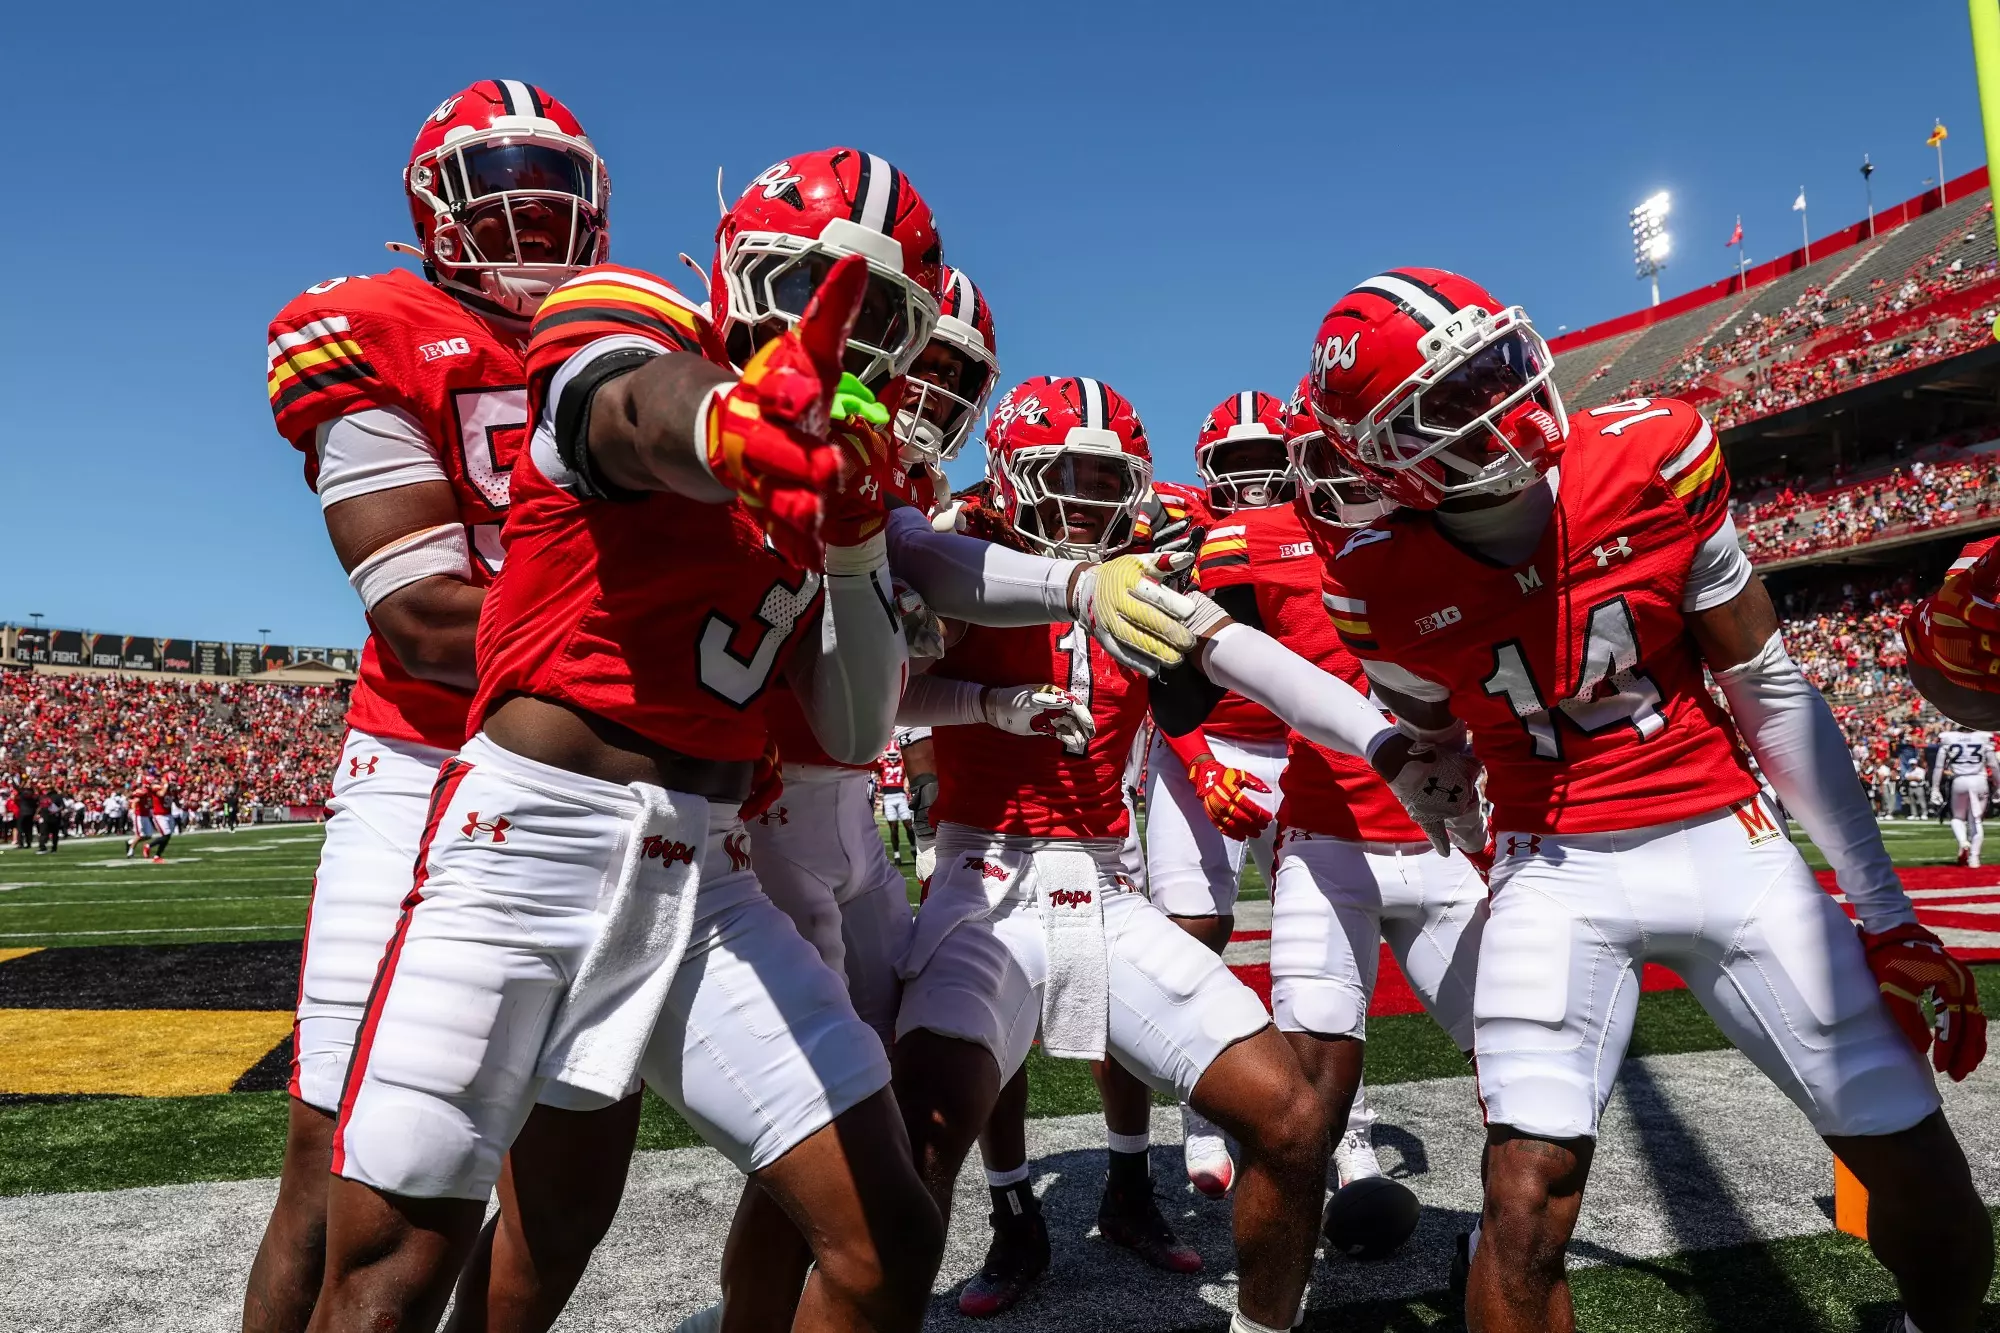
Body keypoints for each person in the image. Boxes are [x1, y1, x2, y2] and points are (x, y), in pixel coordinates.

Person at [1308, 266, 1990, 1333]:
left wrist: (1889, 914)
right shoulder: (1369, 577)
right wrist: (1427, 765)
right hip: (1552, 868)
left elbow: (1766, 690)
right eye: (1446, 399)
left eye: (1493, 361)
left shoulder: (1650, 457)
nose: (1500, 396)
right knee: (1520, 1204)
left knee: (1909, 1153)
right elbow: (1428, 728)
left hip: (1727, 835)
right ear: (1384, 456)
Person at [890, 374, 1440, 1333]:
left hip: (1106, 880)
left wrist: (1387, 743)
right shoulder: (959, 551)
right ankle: (1010, 1218)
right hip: (988, 876)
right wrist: (984, 704)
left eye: (1112, 482)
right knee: (914, 1148)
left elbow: (1257, 664)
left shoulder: (1142, 574)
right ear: (1013, 472)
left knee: (1292, 1120)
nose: (1094, 504)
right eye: (1069, 475)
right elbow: (878, 698)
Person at [243, 80, 611, 1333]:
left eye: (557, 197)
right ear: (434, 209)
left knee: (554, 1162)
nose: (536, 221)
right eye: (503, 201)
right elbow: (421, 617)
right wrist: (636, 654)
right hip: (417, 760)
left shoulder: (637, 338)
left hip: (591, 781)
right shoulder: (369, 327)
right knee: (333, 1149)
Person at [1144, 390, 1294, 1195]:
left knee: (1320, 937)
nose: (1255, 480)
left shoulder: (1324, 524)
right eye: (1236, 465)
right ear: (1209, 470)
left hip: (1294, 746)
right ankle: (1199, 1108)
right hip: (1197, 741)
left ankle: (1346, 1124)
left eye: (1267, 461)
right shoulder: (1180, 527)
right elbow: (1158, 669)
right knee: (1195, 927)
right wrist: (1201, 760)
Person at [1930, 724, 1997, 867]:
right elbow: (1994, 765)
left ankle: (1963, 841)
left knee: (1958, 817)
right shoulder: (1983, 737)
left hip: (1959, 780)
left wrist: (1935, 787)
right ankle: (1974, 858)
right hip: (1980, 780)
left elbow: (1939, 767)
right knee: (1976, 820)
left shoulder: (1949, 738)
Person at [876, 741, 914, 864]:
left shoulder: (902, 763)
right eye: (890, 754)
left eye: (894, 754)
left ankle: (913, 849)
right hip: (888, 798)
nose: (892, 758)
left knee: (908, 825)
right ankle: (897, 855)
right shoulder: (881, 764)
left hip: (901, 796)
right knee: (893, 828)